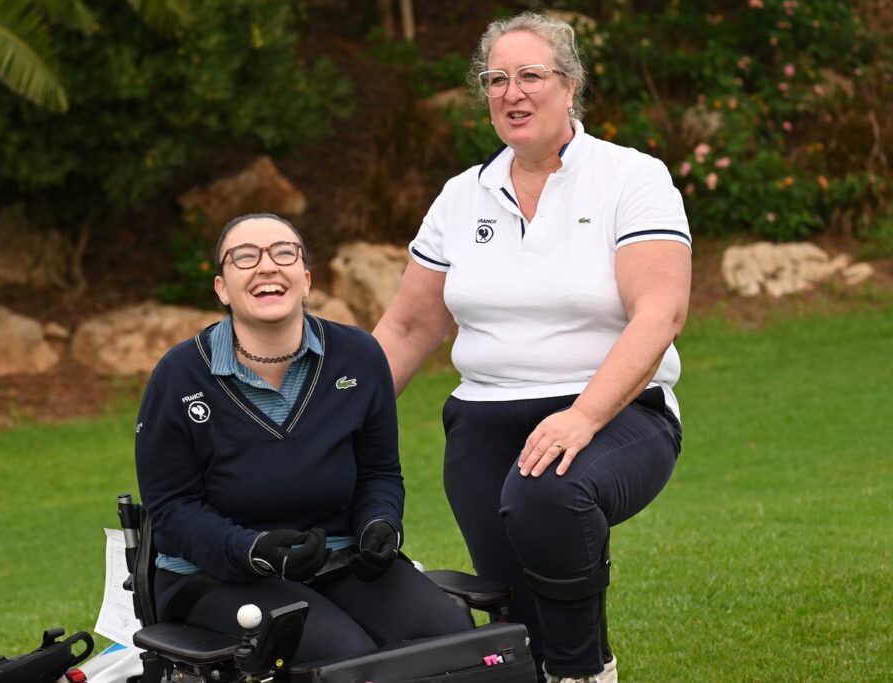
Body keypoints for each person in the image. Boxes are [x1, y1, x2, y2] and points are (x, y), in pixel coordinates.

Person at [373, 11, 691, 683]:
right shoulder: (463, 196)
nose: (511, 93)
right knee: (520, 616)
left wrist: (582, 417)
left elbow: (659, 314)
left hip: (616, 412)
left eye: (530, 76)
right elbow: (408, 327)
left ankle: (584, 673)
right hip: (483, 423)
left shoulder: (631, 178)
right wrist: (326, 418)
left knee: (547, 492)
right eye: (495, 80)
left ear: (569, 85)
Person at [134, 212, 473, 668]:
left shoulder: (358, 356)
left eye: (283, 253)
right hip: (214, 574)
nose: (267, 266)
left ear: (306, 279)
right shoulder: (179, 376)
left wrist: (380, 524)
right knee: (344, 658)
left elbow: (379, 473)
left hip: (339, 558)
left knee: (451, 636)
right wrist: (252, 551)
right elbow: (172, 508)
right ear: (222, 289)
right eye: (244, 258)